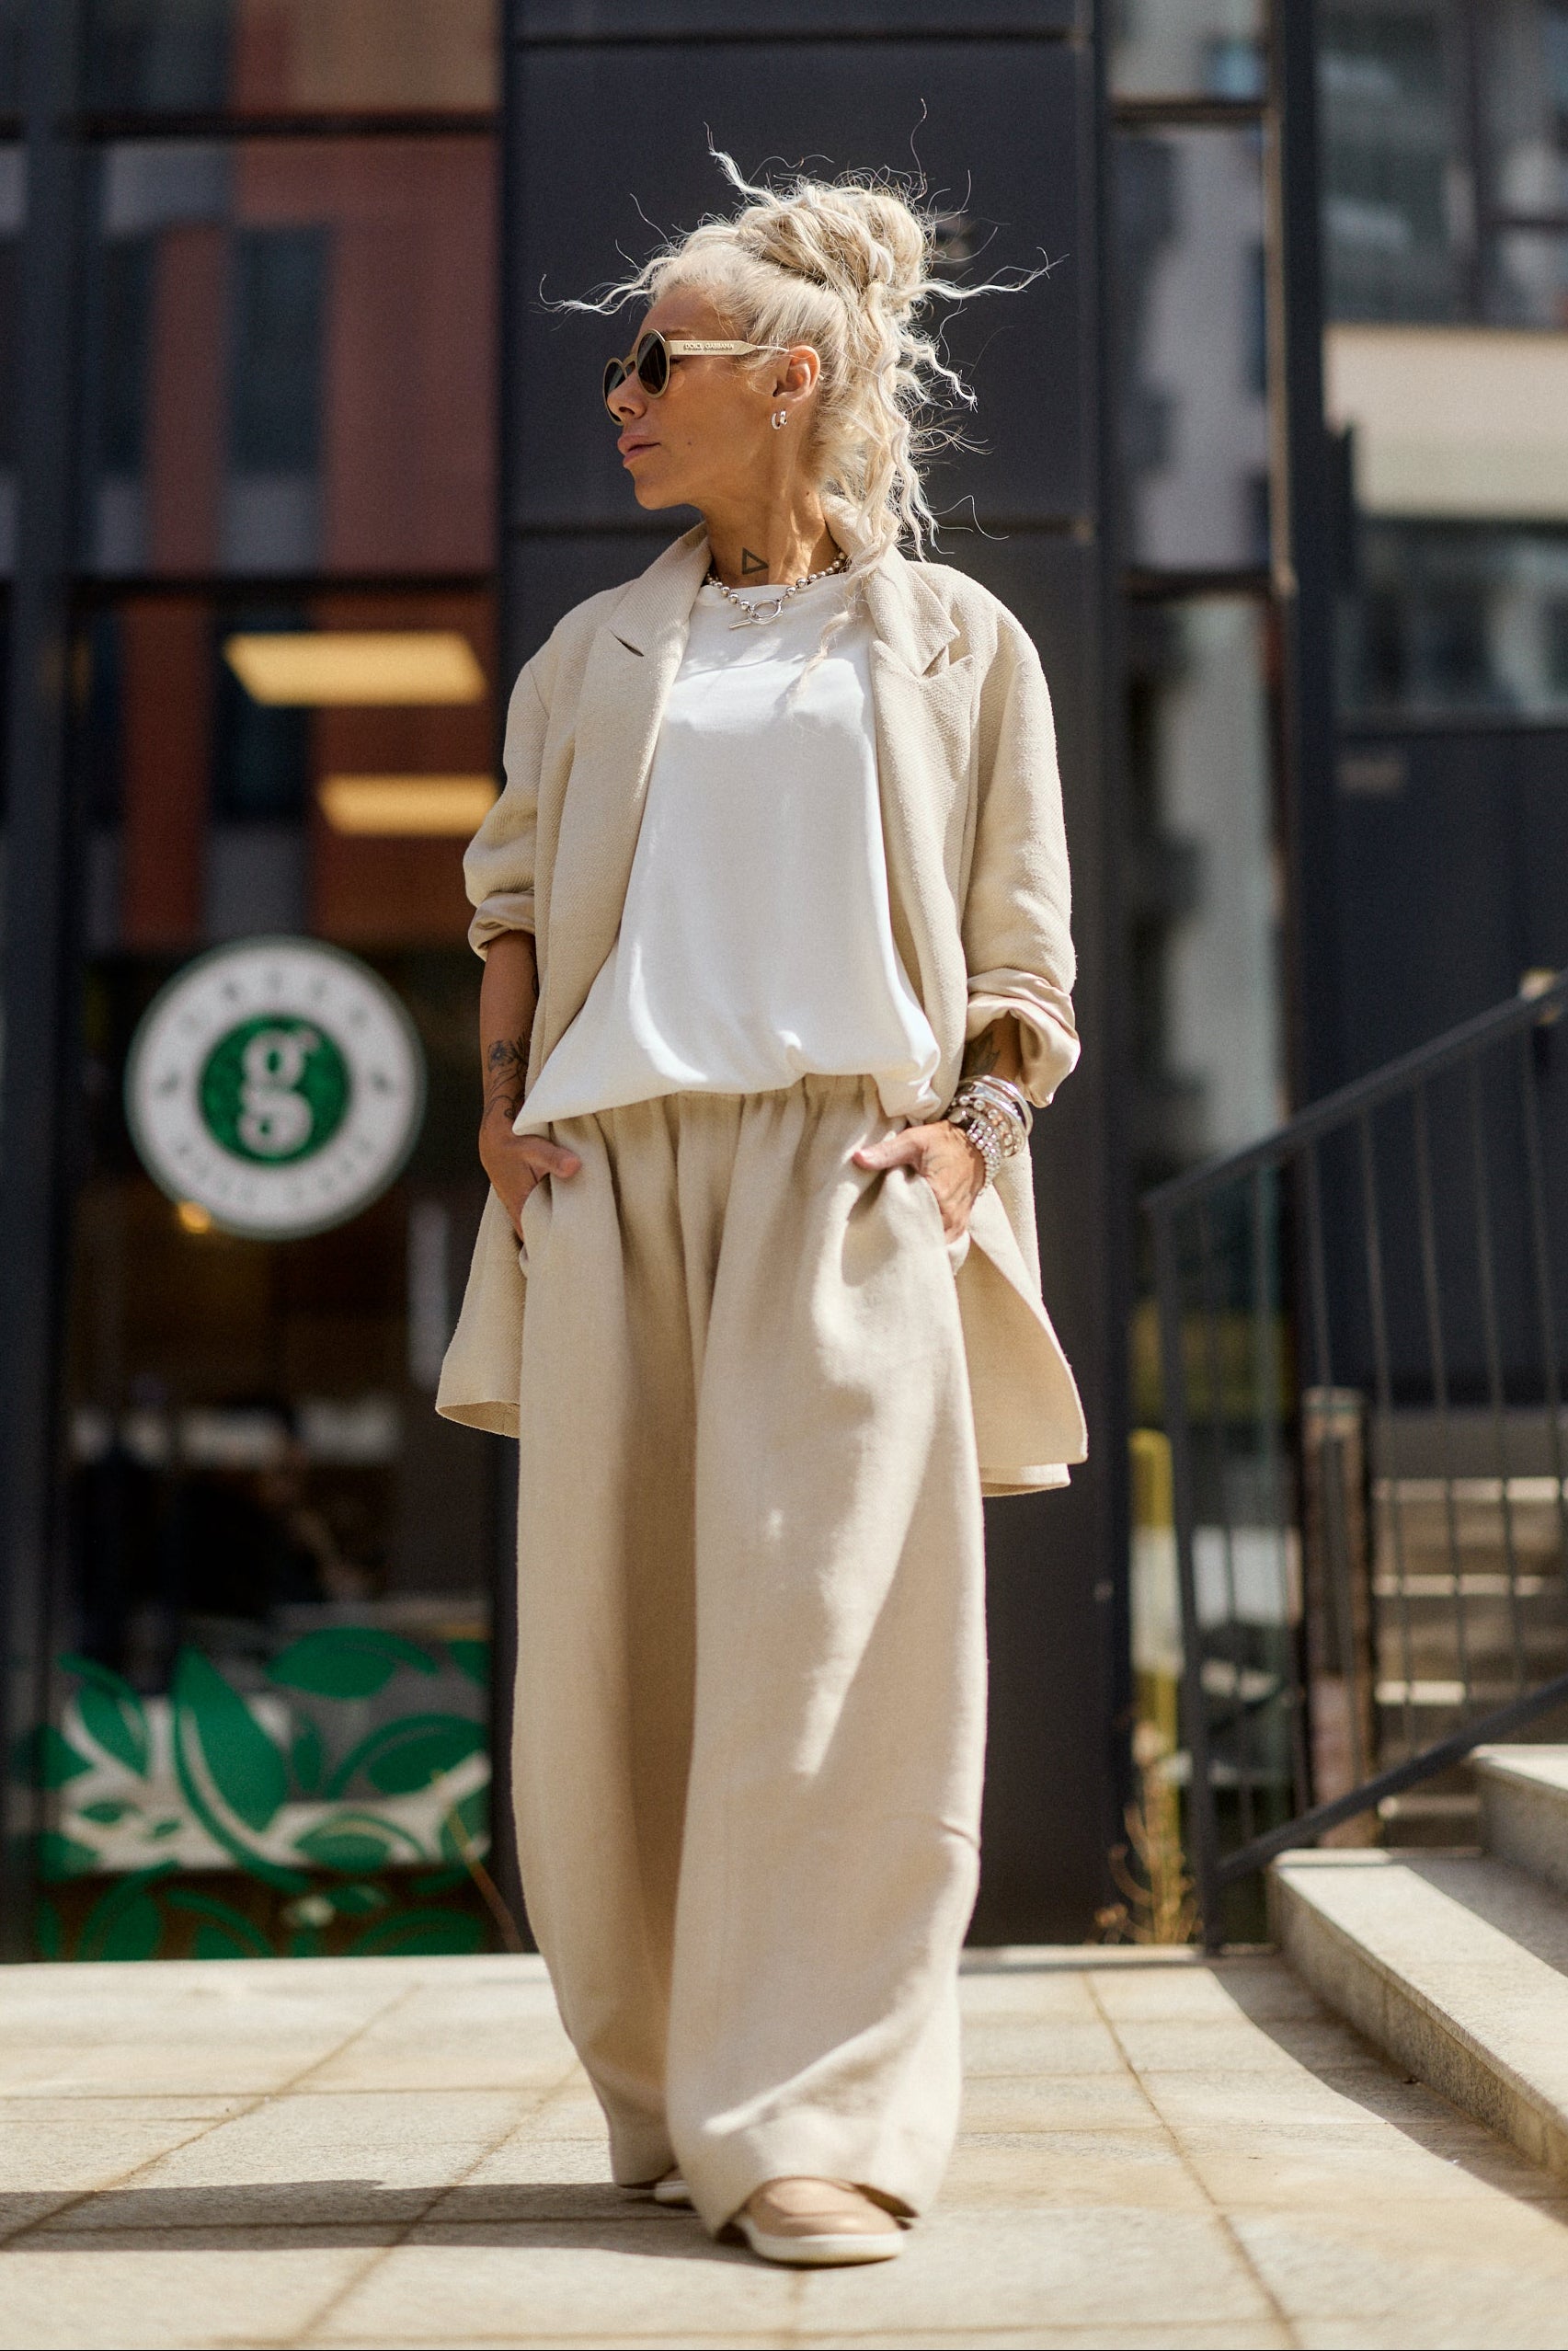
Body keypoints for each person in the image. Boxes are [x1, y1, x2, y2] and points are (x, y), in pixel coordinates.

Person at [438, 162, 1085, 2268]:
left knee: (834, 1671)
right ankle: (667, 2093)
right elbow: (512, 896)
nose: (616, 397)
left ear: (786, 378)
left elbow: (1020, 957)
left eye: (655, 363)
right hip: (614, 1188)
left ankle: (812, 2115)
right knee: (616, 1682)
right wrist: (503, 1112)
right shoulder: (592, 649)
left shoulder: (959, 648)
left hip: (851, 1181)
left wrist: (975, 1135)